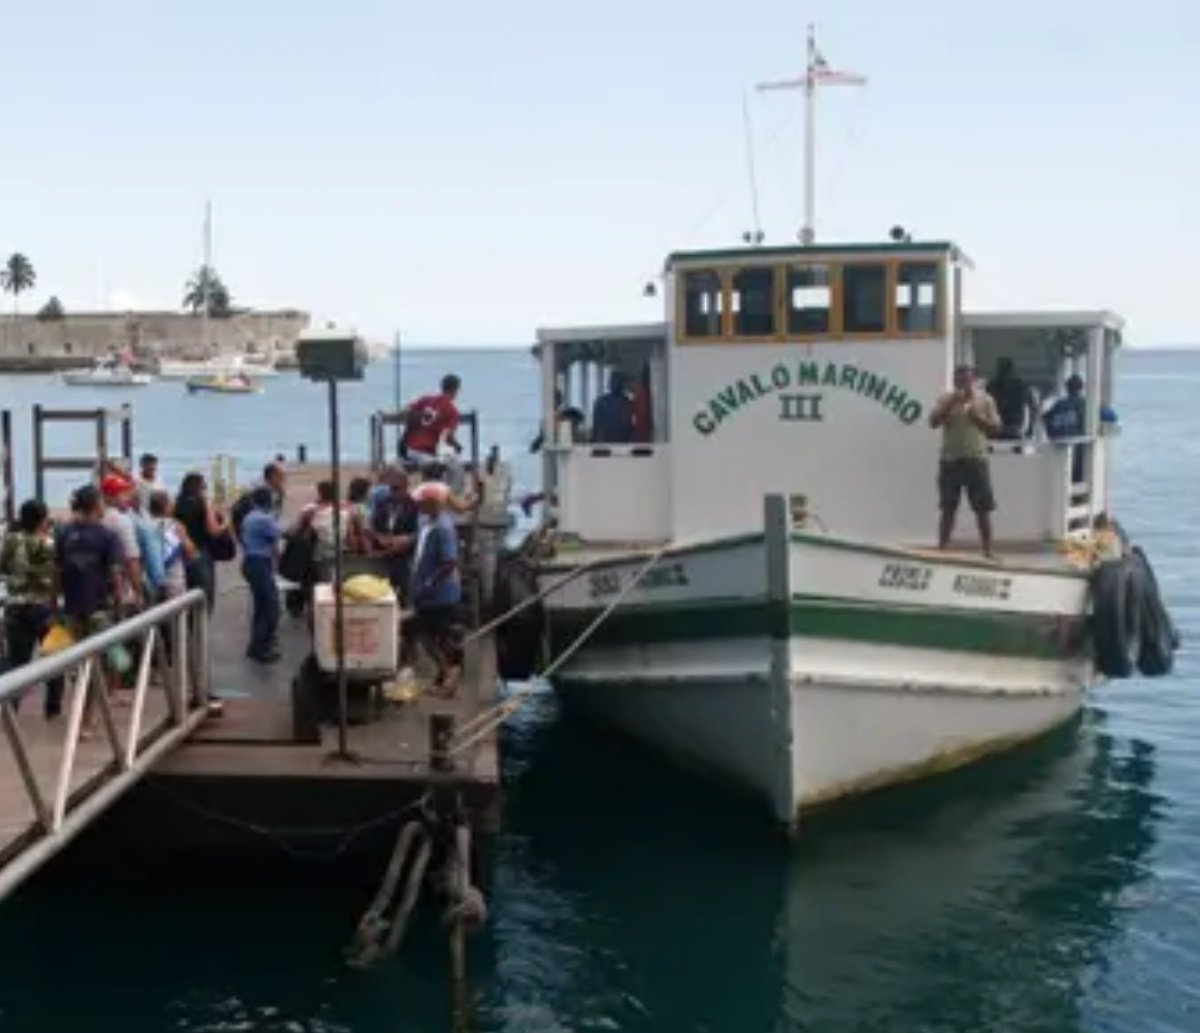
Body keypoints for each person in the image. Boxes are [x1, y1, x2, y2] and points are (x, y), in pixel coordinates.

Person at [56, 485, 122, 736]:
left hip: (71, 607)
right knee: (95, 662)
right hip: (98, 607)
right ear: (96, 505)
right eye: (102, 502)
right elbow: (115, 572)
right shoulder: (107, 535)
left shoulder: (63, 532)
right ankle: (86, 719)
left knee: (76, 663)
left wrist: (54, 603)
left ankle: (82, 713)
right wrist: (118, 601)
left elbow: (56, 570)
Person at [928, 365, 1002, 557]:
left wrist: (976, 417)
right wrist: (950, 404)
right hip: (950, 460)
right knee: (947, 509)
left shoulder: (985, 400)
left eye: (966, 380)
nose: (962, 384)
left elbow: (995, 429)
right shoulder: (945, 399)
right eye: (958, 380)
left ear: (974, 380)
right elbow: (933, 422)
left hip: (976, 459)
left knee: (982, 509)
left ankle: (988, 550)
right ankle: (942, 549)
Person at [0, 499, 64, 718]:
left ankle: (9, 711)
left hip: (15, 607)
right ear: (43, 519)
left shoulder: (9, 541)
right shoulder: (48, 543)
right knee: (56, 658)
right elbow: (57, 574)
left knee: (16, 663)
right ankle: (52, 708)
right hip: (44, 609)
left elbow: (2, 568)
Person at [410, 481, 464, 695]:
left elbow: (449, 561)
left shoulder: (444, 528)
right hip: (423, 591)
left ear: (433, 503)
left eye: (422, 502)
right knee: (430, 636)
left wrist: (431, 582)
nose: (419, 505)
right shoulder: (425, 522)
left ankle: (450, 673)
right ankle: (444, 676)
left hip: (439, 594)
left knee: (434, 637)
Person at [175, 472, 229, 612]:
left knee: (186, 594)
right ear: (199, 487)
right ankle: (200, 631)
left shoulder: (176, 503)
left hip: (181, 553)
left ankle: (186, 630)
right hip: (200, 553)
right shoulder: (203, 503)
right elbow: (213, 530)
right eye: (204, 486)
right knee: (205, 595)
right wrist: (226, 524)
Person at [402, 375, 465, 492]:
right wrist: (457, 446)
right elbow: (447, 437)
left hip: (410, 449)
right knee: (454, 467)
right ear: (456, 390)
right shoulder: (452, 411)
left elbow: (406, 410)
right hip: (427, 452)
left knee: (444, 463)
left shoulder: (426, 400)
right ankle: (450, 497)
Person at [241, 487, 283, 663]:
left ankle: (256, 646)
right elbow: (281, 533)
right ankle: (261, 648)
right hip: (259, 563)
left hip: (252, 561)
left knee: (261, 606)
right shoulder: (264, 519)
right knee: (271, 608)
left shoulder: (249, 517)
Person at [370, 466, 419, 601]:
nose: (393, 492)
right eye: (391, 489)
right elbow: (374, 526)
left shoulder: (414, 506)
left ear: (406, 486)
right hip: (384, 555)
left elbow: (415, 534)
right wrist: (379, 538)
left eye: (397, 489)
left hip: (404, 558)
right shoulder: (383, 503)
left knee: (405, 593)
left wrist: (399, 541)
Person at [100, 473, 144, 610]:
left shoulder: (98, 517)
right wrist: (138, 592)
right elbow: (132, 560)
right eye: (122, 494)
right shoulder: (121, 520)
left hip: (97, 592)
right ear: (109, 497)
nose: (128, 498)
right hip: (120, 593)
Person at [986, 358, 1035, 440]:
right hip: (1003, 427)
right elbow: (1032, 408)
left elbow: (1031, 408)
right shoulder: (992, 387)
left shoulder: (1020, 387)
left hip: (1010, 427)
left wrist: (1029, 430)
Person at [591, 370, 636, 444]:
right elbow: (596, 427)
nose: (614, 383)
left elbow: (631, 426)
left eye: (617, 381)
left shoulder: (627, 403)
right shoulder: (601, 402)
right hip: (605, 445)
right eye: (612, 380)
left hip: (623, 444)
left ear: (621, 384)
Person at [1044, 374, 1086, 439]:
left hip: (1059, 440)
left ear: (1067, 388)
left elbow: (1046, 418)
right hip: (1080, 440)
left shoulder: (1059, 404)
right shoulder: (1085, 404)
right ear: (1081, 387)